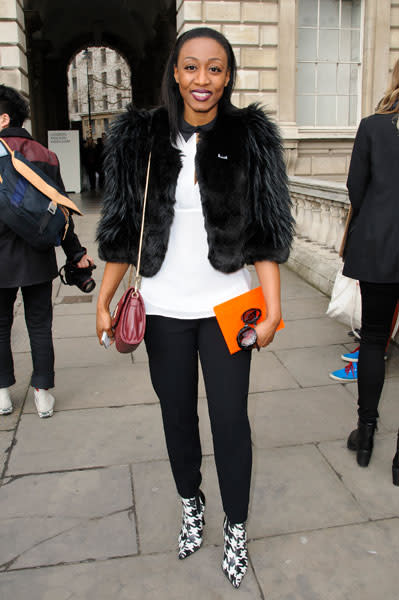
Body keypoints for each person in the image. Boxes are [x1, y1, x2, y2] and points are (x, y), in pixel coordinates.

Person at [96, 28, 293, 587]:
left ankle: (235, 524)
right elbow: (121, 228)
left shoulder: (250, 137)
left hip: (232, 304)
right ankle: (191, 502)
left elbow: (268, 232)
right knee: (176, 414)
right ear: (175, 73)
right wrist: (105, 299)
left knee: (231, 420)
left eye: (214, 69)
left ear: (227, 76)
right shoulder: (141, 137)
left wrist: (273, 307)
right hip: (161, 307)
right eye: (191, 68)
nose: (201, 80)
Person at [0, 84, 93, 418]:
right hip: (38, 255)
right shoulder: (44, 154)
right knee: (39, 324)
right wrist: (76, 253)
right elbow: (62, 210)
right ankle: (42, 392)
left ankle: (2, 393)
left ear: (4, 117)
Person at [342, 60, 399, 484]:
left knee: (374, 340)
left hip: (379, 248)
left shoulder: (373, 127)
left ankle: (366, 434)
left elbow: (355, 189)